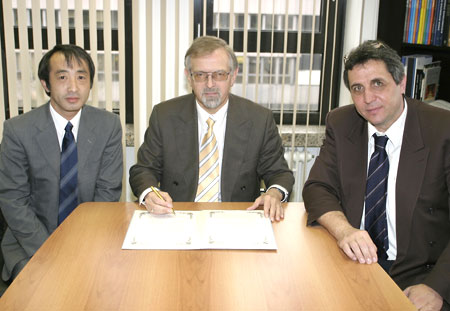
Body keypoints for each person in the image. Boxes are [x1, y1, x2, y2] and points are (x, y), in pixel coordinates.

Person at [303, 40, 450, 311]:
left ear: (402, 82)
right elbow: (317, 187)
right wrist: (345, 231)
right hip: (351, 261)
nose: (367, 98)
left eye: (378, 84)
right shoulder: (342, 121)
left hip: (419, 274)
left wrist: (437, 287)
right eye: (357, 89)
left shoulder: (442, 130)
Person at [129, 36, 294, 221]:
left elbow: (279, 173)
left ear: (233, 76)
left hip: (238, 218)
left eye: (219, 74)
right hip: (178, 216)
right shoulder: (165, 115)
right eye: (200, 75)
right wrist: (150, 194)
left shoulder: (259, 119)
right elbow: (143, 170)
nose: (210, 84)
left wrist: (273, 193)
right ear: (189, 77)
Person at [0, 44, 123, 282]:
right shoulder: (18, 130)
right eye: (62, 77)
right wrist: (52, 250)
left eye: (81, 77)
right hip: (30, 243)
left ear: (90, 84)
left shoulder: (108, 126)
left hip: (92, 237)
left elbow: (107, 193)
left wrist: (79, 248)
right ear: (46, 84)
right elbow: (13, 200)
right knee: (42, 290)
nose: (73, 87)